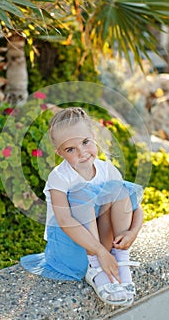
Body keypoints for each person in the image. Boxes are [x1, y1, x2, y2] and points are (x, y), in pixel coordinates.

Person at [21, 107, 143, 306]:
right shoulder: (59, 177)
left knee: (119, 189)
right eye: (70, 149)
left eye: (85, 142)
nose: (82, 152)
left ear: (93, 136)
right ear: (59, 152)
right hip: (74, 246)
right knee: (80, 193)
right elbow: (65, 221)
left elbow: (135, 207)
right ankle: (95, 269)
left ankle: (120, 259)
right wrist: (100, 252)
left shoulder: (107, 170)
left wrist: (132, 233)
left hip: (105, 243)